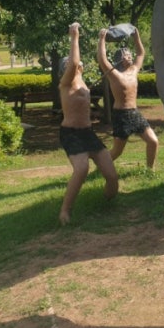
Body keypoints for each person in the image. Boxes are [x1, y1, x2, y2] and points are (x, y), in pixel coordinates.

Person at [58, 23, 118, 225]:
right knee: (81, 169)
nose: (76, 66)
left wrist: (102, 39)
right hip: (71, 133)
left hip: (88, 133)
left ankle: (109, 203)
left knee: (111, 175)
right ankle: (65, 211)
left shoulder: (82, 82)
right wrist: (74, 36)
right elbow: (74, 62)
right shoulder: (65, 84)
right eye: (72, 66)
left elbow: (89, 63)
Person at [97, 26, 159, 170]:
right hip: (121, 116)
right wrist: (102, 40)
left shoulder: (134, 70)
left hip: (135, 113)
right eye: (127, 55)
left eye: (130, 54)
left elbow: (141, 53)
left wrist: (136, 36)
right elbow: (102, 59)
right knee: (117, 151)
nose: (130, 56)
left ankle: (150, 170)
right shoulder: (114, 75)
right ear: (119, 59)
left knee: (153, 141)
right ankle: (101, 166)